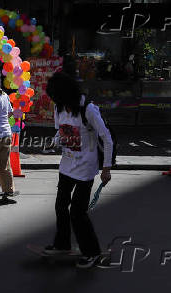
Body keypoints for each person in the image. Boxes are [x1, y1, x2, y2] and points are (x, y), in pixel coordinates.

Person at [44, 71, 113, 268]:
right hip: (66, 166)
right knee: (60, 207)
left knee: (77, 213)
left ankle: (91, 252)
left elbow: (106, 138)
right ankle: (62, 244)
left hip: (85, 169)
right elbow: (61, 130)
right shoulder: (59, 108)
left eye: (59, 98)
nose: (58, 103)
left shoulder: (88, 109)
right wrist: (53, 143)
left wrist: (106, 167)